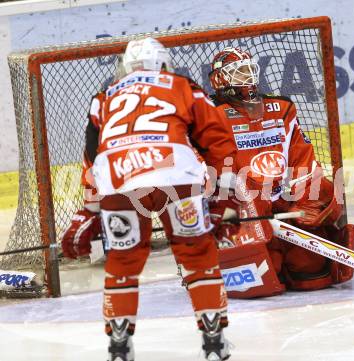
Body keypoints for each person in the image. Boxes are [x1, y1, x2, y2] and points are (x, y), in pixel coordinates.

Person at [61, 37, 235, 361]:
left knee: (122, 262)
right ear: (163, 64)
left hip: (118, 176)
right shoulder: (182, 85)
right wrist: (225, 197)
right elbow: (218, 136)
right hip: (174, 173)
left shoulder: (104, 96)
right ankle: (214, 342)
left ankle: (119, 347)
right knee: (196, 255)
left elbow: (91, 154)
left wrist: (87, 208)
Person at [207, 46, 354, 298]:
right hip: (239, 210)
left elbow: (303, 161)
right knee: (266, 271)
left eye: (249, 70)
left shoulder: (281, 109)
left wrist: (308, 201)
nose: (249, 77)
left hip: (277, 202)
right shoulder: (208, 115)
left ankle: (292, 245)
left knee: (311, 270)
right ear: (220, 79)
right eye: (239, 72)